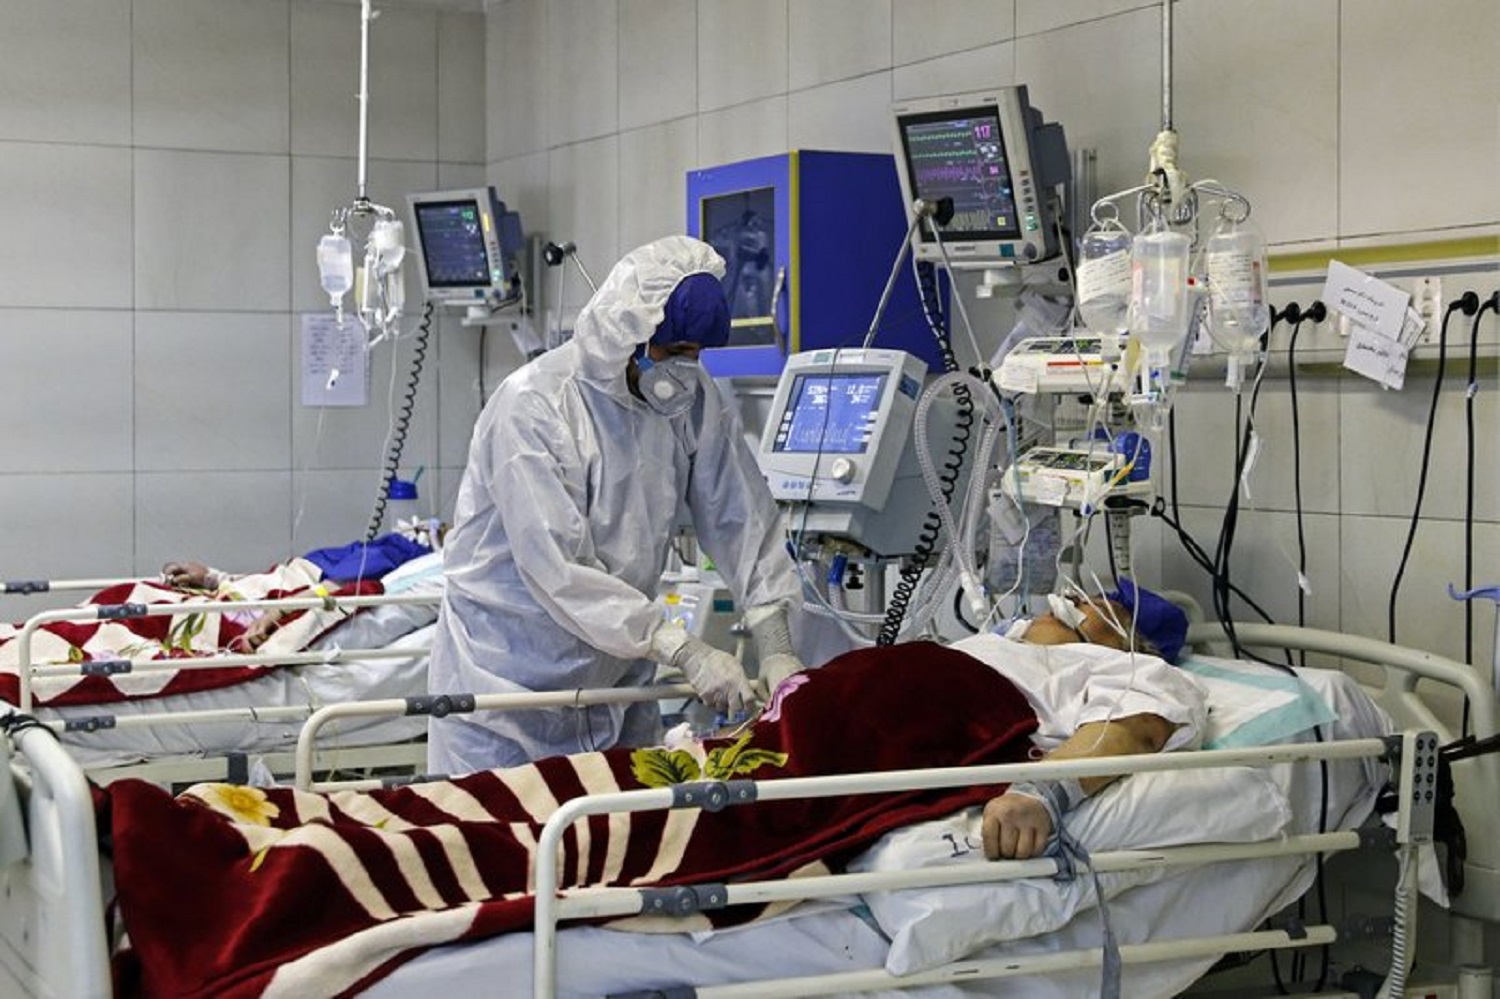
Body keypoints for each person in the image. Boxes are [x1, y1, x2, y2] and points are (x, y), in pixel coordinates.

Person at [426, 236, 806, 773]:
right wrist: (683, 649)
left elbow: (741, 517)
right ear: (627, 334)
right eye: (673, 354)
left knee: (619, 840)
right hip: (508, 689)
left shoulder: (690, 402)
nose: (683, 371)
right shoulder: (533, 407)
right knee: (503, 842)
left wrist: (775, 642)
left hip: (618, 683)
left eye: (695, 357)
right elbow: (558, 568)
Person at [969, 580, 1201, 862]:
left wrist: (1041, 790)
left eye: (1095, 605)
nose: (1068, 601)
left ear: (1122, 639)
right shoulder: (989, 644)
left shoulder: (1121, 666)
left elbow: (1140, 723)